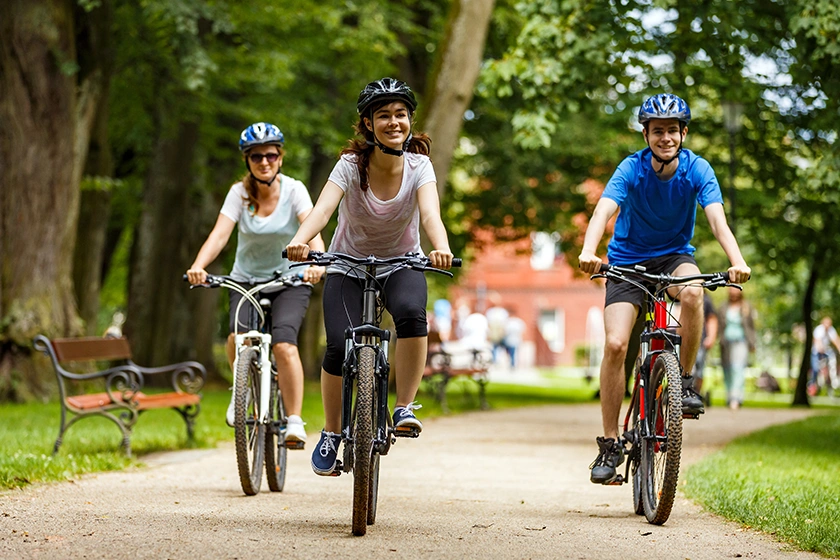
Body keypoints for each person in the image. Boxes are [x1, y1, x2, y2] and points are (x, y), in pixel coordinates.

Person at [577, 93, 751, 484]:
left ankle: (684, 383)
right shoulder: (631, 169)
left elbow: (717, 222)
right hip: (626, 263)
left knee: (693, 292)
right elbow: (603, 209)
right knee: (617, 344)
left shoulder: (698, 170)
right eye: (658, 131)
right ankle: (608, 444)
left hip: (674, 257)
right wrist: (589, 251)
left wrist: (736, 261)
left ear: (683, 133)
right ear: (646, 134)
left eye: (673, 130)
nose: (666, 137)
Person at [284, 78, 454, 476]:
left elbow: (430, 214)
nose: (393, 122)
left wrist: (440, 246)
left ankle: (404, 406)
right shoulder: (349, 165)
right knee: (338, 346)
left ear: (410, 120)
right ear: (367, 123)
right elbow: (322, 211)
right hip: (348, 263)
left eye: (400, 114)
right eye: (383, 116)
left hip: (402, 263)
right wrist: (299, 241)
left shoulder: (419, 166)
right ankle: (330, 432)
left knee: (412, 315)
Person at [186, 122, 325, 446]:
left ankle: (293, 420)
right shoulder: (239, 193)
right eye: (257, 156)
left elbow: (313, 228)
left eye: (271, 155)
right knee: (238, 339)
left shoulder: (294, 190)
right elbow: (220, 234)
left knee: (284, 345)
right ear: (247, 160)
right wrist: (198, 266)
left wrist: (318, 262)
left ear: (281, 157)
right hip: (245, 280)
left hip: (290, 279)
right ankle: (241, 393)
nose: (265, 161)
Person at [719, 287, 757, 409]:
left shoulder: (746, 307)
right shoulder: (723, 307)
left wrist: (753, 343)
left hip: (741, 341)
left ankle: (736, 398)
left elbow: (752, 327)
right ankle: (729, 395)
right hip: (726, 342)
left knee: (738, 368)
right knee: (727, 369)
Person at [693, 294, 719, 396]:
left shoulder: (706, 299)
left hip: (700, 340)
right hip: (679, 338)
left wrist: (711, 338)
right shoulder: (676, 294)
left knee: (699, 368)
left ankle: (697, 393)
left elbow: (711, 319)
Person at [809, 316, 840, 396]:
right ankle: (812, 385)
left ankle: (833, 381)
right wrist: (820, 350)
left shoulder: (831, 330)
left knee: (832, 361)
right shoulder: (819, 330)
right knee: (815, 369)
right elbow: (817, 342)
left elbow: (836, 340)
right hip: (816, 352)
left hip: (826, 351)